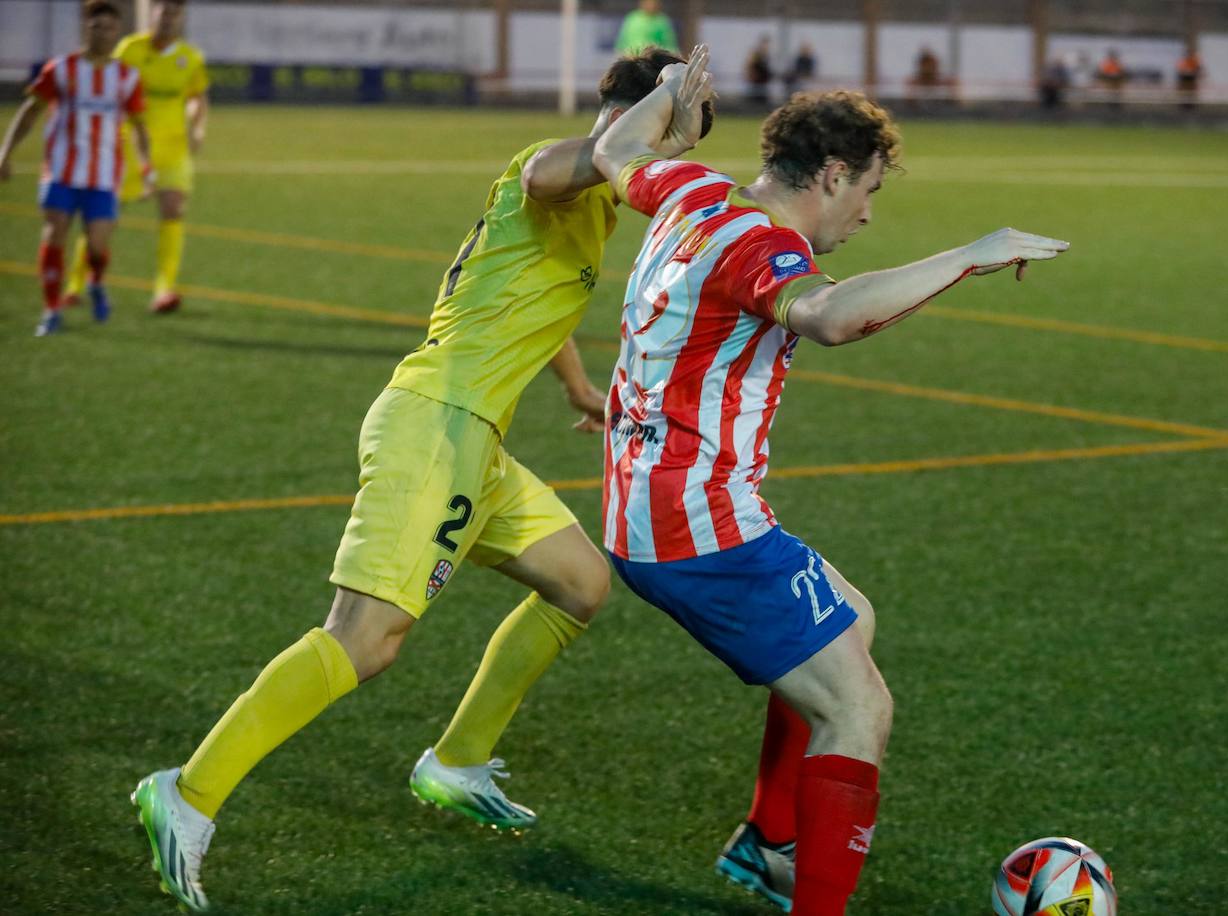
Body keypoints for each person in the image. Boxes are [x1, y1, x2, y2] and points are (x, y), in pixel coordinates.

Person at [129, 48, 713, 913]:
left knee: (582, 583)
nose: (683, 162)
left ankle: (458, 760)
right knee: (367, 638)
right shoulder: (555, 164)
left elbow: (525, 295)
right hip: (434, 424)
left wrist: (579, 387)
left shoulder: (594, 207)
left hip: (477, 439)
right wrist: (668, 98)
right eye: (685, 138)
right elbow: (589, 161)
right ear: (649, 115)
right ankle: (186, 792)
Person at [592, 46, 1068, 915]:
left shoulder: (695, 192)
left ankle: (768, 845)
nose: (868, 215)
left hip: (647, 503)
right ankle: (807, 893)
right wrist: (971, 253)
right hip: (697, 524)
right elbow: (827, 315)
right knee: (859, 712)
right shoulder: (760, 245)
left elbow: (616, 155)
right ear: (836, 174)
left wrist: (664, 98)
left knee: (852, 619)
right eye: (870, 192)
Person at [0, 0, 153, 337]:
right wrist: (5, 151)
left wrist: (147, 169)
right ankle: (51, 309)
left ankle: (96, 282)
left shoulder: (127, 77)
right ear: (87, 27)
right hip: (60, 171)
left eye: (111, 27)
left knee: (97, 246)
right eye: (97, 26)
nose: (104, 33)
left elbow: (140, 127)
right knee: (54, 233)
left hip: (103, 175)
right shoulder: (62, 69)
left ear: (118, 32)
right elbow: (30, 110)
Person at [65, 0, 209, 315]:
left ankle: (163, 289)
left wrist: (197, 126)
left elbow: (197, 97)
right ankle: (76, 283)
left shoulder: (190, 58)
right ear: (151, 14)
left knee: (174, 209)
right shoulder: (129, 50)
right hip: (128, 146)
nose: (168, 18)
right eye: (163, 11)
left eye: (174, 12)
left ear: (180, 18)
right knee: (105, 216)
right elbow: (106, 83)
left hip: (173, 148)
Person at [745, 35, 773, 106]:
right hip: (756, 81)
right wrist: (751, 75)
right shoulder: (756, 54)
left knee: (763, 102)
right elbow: (750, 66)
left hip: (764, 82)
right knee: (754, 102)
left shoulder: (766, 55)